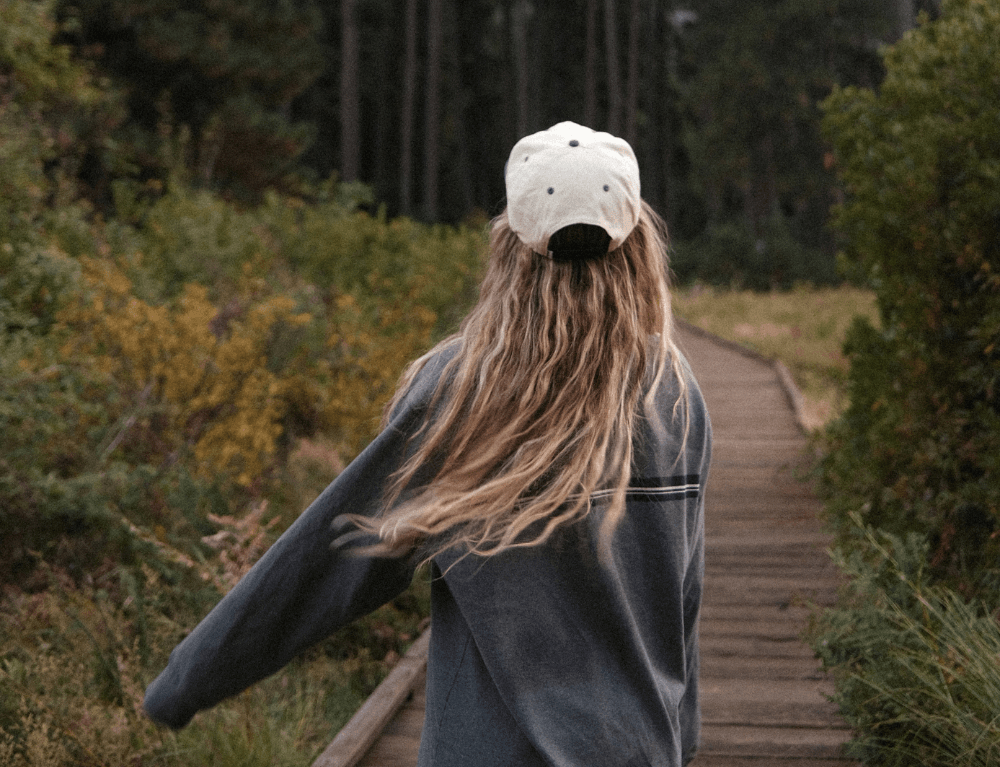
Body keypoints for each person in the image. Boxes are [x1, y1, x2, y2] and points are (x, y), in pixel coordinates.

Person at [143, 121, 712, 767]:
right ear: (638, 253)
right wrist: (681, 730)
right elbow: (681, 593)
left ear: (510, 252)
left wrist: (184, 683)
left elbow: (324, 563)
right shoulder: (674, 397)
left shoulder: (457, 396)